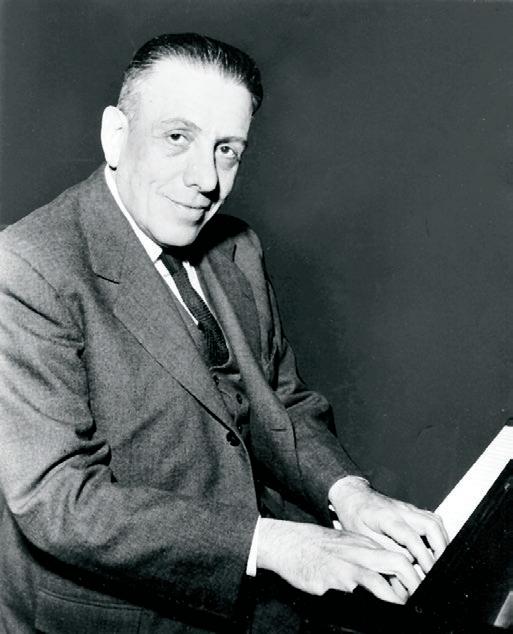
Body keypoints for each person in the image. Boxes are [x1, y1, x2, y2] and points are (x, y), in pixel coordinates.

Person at [0, 33, 447, 632]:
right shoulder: (27, 267)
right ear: (115, 135)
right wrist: (274, 545)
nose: (205, 179)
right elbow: (61, 503)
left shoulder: (237, 248)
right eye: (177, 137)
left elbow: (280, 403)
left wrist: (349, 494)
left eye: (227, 150)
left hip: (259, 600)